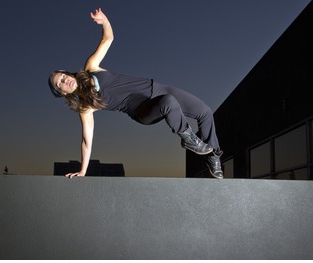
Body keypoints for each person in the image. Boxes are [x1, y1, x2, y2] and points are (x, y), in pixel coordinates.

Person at [48, 8, 223, 179]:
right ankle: (188, 137)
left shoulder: (91, 67)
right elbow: (87, 140)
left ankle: (213, 157)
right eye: (60, 83)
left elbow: (108, 38)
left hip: (156, 88)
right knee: (168, 102)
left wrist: (105, 22)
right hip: (142, 111)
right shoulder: (86, 106)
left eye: (63, 76)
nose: (65, 80)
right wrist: (83, 171)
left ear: (68, 73)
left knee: (205, 112)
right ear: (62, 92)